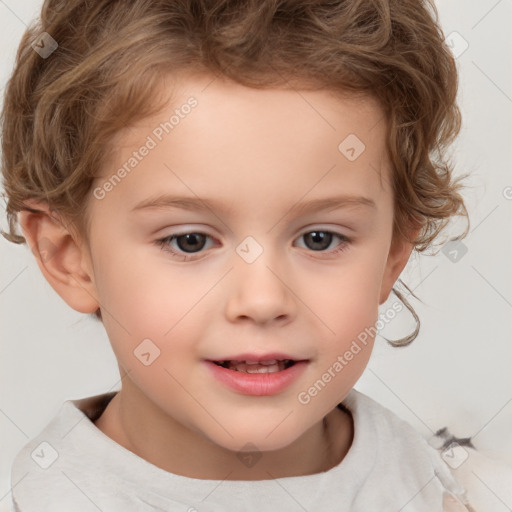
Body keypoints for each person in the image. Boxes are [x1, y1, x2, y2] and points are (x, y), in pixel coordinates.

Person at [1, 0, 475, 510]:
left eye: (320, 238)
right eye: (190, 241)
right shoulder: (46, 497)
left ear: (393, 254)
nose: (263, 299)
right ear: (69, 255)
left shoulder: (419, 486)